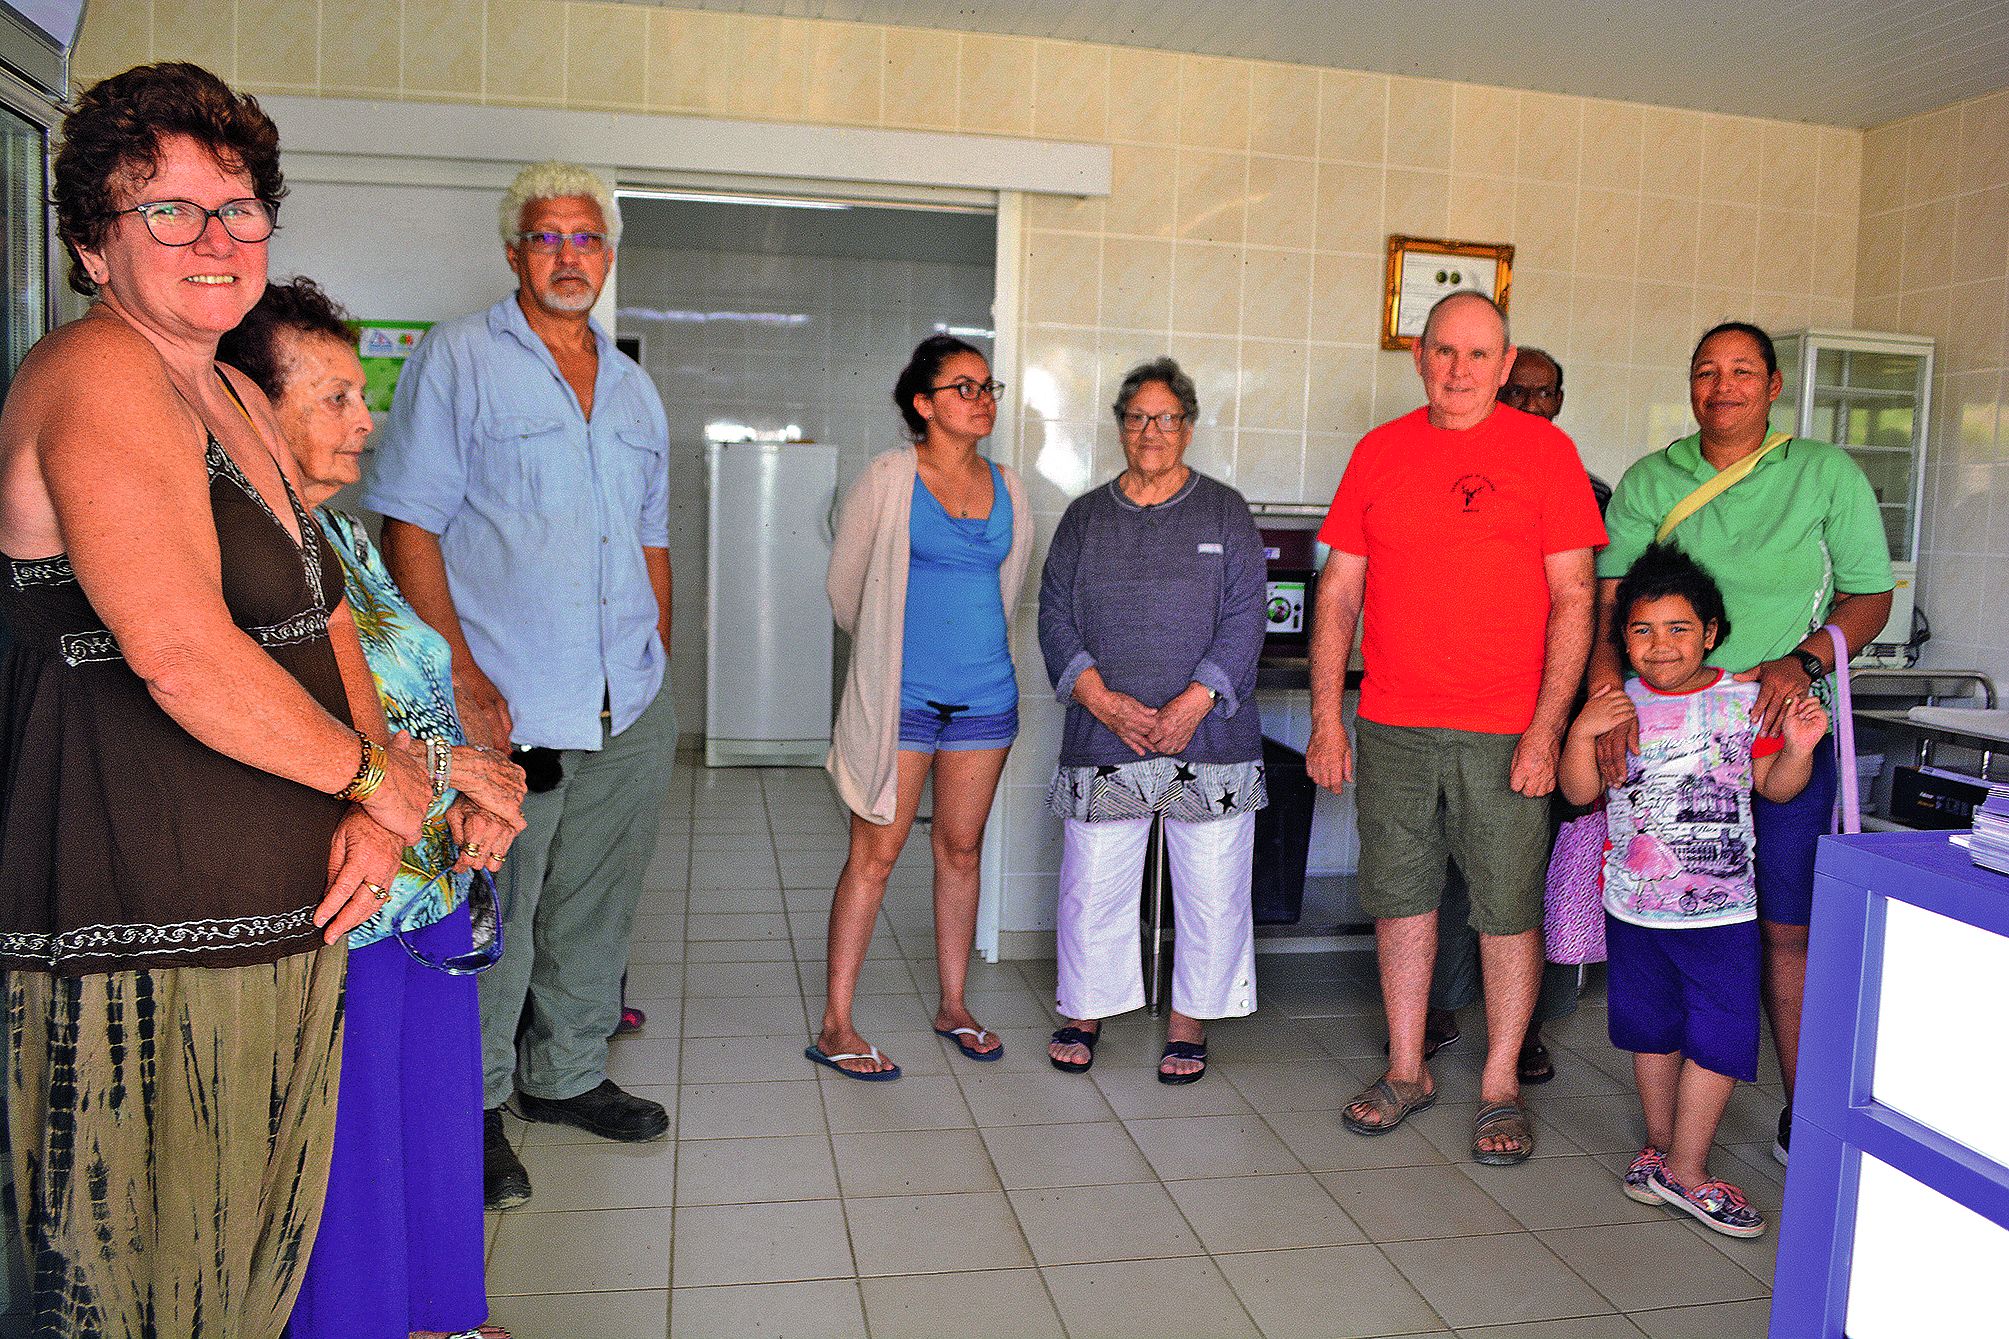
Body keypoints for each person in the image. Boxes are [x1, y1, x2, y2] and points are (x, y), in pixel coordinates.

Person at [0, 63, 430, 1338]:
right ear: (92, 244)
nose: (215, 238)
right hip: (138, 933)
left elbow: (323, 617)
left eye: (238, 207)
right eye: (168, 212)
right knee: (142, 1308)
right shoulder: (94, 374)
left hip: (277, 918)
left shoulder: (232, 389)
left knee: (243, 1295)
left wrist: (383, 805)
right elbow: (181, 653)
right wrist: (371, 777)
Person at [362, 160, 679, 1210]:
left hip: (623, 698)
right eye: (546, 238)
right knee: (498, 911)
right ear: (513, 254)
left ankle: (567, 1073)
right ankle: (477, 1104)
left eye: (585, 238)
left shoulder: (633, 389)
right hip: (507, 700)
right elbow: (407, 519)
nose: (567, 257)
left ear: (609, 254)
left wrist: (655, 656)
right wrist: (458, 673)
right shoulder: (460, 358)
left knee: (596, 903)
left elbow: (648, 540)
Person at [219, 278, 526, 1339]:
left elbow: (409, 700)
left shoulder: (340, 536)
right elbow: (293, 733)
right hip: (341, 897)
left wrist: (474, 786)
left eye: (363, 395)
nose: (366, 420)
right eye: (336, 398)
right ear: (250, 406)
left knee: (430, 1135)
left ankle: (444, 1318)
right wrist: (456, 777)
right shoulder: (238, 549)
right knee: (350, 1162)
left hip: (427, 883)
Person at [1307, 291, 1605, 1164]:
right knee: (1401, 900)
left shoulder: (1546, 453)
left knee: (1508, 910)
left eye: (1478, 355)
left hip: (1505, 727)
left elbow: (1574, 598)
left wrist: (1547, 729)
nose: (1458, 369)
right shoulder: (1379, 451)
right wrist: (1329, 718)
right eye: (1443, 351)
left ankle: (1500, 1085)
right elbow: (1336, 594)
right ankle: (1407, 1069)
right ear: (1419, 356)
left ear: (1505, 364)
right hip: (1393, 722)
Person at [1593, 321, 1893, 1165]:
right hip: (1666, 735)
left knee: (1785, 929)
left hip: (1774, 727)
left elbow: (1869, 596)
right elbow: (1613, 607)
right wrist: (1605, 702)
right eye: (1704, 371)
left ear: (1771, 384)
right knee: (1667, 911)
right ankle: (1677, 1129)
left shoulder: (1824, 472)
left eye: (1740, 371)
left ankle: (1804, 1110)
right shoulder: (1654, 479)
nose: (1721, 386)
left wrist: (1795, 664)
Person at [1560, 544, 1828, 1238]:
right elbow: (1578, 792)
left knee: (1716, 1035)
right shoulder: (1615, 706)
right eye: (1641, 631)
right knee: (1649, 1031)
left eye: (1678, 628)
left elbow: (1772, 788)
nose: (1659, 646)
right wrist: (1581, 733)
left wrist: (1797, 748)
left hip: (1722, 913)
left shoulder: (1743, 700)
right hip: (1634, 909)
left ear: (1710, 630)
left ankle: (1684, 1163)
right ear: (1621, 639)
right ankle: (1660, 1150)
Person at [1038, 358, 1266, 1083]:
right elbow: (1052, 614)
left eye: (1166, 418)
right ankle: (1085, 1008)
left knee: (1211, 882)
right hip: (1106, 728)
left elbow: (1245, 615)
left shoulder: (1224, 510)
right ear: (1119, 427)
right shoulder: (1084, 515)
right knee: (1094, 880)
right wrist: (1102, 700)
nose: (1151, 431)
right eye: (1137, 417)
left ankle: (1190, 1019)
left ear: (1188, 428)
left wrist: (1194, 699)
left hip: (1208, 733)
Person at [815, 335, 1031, 1079]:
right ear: (923, 403)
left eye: (986, 386)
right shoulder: (887, 477)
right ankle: (837, 1023)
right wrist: (890, 657)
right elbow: (847, 593)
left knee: (960, 850)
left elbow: (1007, 589)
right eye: (963, 387)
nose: (981, 399)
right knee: (874, 856)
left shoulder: (1008, 483)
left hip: (985, 699)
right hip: (900, 698)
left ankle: (954, 1004)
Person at [1425, 344, 1601, 1085]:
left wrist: (1584, 711)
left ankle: (1527, 1027)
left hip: (1554, 714)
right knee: (1450, 859)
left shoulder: (1586, 486)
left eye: (1543, 393)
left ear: (1559, 400)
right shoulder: (1457, 473)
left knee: (1542, 871)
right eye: (1517, 392)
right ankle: (1439, 1001)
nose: (1530, 405)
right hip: (1467, 705)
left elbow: (1603, 604)